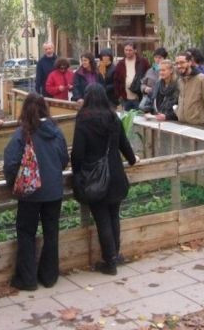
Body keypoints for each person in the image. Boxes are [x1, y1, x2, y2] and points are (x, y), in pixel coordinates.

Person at [3, 93, 69, 291]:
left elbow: (11, 163)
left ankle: (27, 279)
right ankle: (49, 277)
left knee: (26, 233)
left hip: (30, 192)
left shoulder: (22, 134)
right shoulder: (56, 131)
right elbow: (63, 159)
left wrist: (13, 183)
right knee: (51, 232)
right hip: (54, 190)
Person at [71, 84, 137, 276]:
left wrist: (77, 173)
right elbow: (124, 144)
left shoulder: (83, 120)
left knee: (102, 219)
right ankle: (115, 255)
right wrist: (132, 160)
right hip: (115, 174)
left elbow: (77, 153)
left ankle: (110, 262)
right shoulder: (112, 117)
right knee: (114, 216)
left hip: (95, 178)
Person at [175, 52, 204, 127]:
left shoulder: (201, 79)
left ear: (190, 62)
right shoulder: (180, 80)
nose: (179, 66)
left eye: (182, 62)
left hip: (198, 125)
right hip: (182, 124)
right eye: (177, 63)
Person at [113, 42, 151, 110]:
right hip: (125, 99)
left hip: (139, 98)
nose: (128, 52)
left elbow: (149, 76)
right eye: (126, 50)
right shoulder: (120, 64)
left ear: (135, 50)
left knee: (139, 116)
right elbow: (116, 80)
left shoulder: (143, 62)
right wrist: (119, 95)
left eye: (130, 50)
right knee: (126, 116)